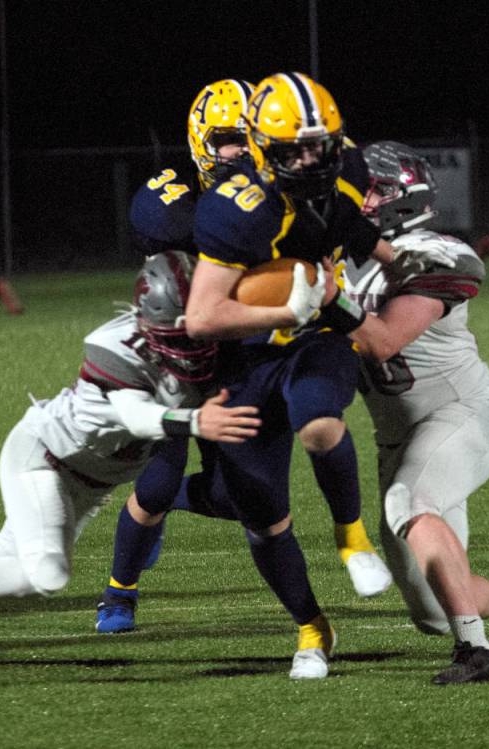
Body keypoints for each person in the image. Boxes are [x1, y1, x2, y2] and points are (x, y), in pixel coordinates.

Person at [0, 252, 262, 677]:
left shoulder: (211, 337)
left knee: (9, 575)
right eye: (178, 332)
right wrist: (197, 420)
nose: (190, 343)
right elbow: (134, 414)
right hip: (43, 459)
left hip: (88, 482)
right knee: (47, 574)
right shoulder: (117, 349)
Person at [95, 78, 392, 636]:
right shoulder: (178, 206)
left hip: (250, 351)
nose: (235, 152)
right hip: (181, 353)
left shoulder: (282, 186)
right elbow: (188, 300)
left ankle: (199, 506)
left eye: (242, 139)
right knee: (156, 482)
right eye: (226, 139)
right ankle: (120, 590)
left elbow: (335, 222)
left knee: (238, 499)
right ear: (202, 142)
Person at [172, 71, 397, 679]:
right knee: (263, 518)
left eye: (316, 144)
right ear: (260, 147)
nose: (307, 158)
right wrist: (283, 308)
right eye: (291, 149)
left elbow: (353, 228)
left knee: (321, 424)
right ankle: (311, 628)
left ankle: (352, 537)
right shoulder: (236, 209)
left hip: (317, 335)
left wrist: (406, 261)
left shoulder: (346, 167)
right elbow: (201, 316)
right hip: (245, 356)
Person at [329, 141, 489, 685]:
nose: (353, 201)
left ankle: (479, 652)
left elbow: (383, 340)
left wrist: (319, 299)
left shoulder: (434, 251)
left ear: (400, 196)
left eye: (367, 190)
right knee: (433, 613)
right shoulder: (341, 258)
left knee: (409, 502)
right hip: (395, 438)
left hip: (458, 414)